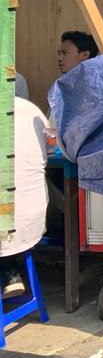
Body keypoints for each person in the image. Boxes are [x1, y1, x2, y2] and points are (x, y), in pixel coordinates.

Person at [1, 97, 49, 300]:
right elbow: (49, 151)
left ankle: (9, 272)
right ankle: (10, 271)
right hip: (32, 219)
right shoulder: (31, 109)